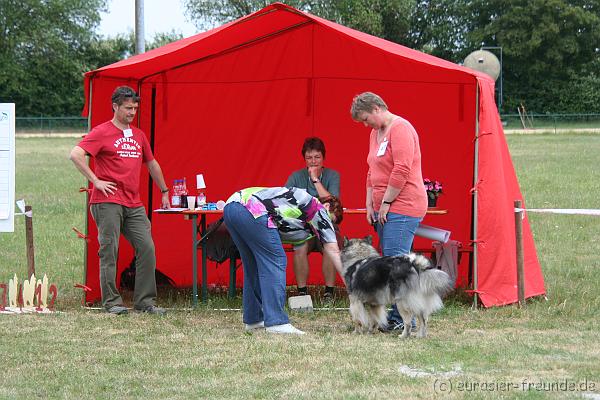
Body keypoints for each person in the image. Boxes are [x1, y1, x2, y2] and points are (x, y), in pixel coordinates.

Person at [70, 86, 170, 315]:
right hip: (107, 202)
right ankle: (112, 302)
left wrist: (164, 190)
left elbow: (152, 163)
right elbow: (75, 154)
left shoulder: (138, 135)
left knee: (147, 248)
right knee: (110, 250)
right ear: (115, 106)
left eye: (135, 108)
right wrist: (95, 180)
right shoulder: (101, 131)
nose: (132, 112)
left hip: (133, 203)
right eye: (127, 108)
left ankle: (145, 302)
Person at [350, 92, 428, 332]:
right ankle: (397, 317)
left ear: (376, 108)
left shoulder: (401, 128)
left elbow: (402, 169)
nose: (365, 125)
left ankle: (404, 320)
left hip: (403, 205)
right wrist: (370, 204)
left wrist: (386, 202)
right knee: (391, 261)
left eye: (365, 119)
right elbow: (371, 170)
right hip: (384, 208)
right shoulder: (376, 133)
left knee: (397, 264)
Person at [223, 187, 344, 335]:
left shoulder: (303, 210)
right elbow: (333, 250)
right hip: (252, 209)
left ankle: (253, 319)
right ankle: (276, 321)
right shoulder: (318, 209)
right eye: (330, 221)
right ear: (326, 207)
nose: (327, 228)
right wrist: (352, 285)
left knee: (253, 265)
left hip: (232, 206)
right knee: (276, 260)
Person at [285, 137, 341, 302]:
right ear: (304, 159)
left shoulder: (333, 175)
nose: (313, 161)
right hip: (303, 226)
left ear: (323, 158)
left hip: (327, 224)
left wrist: (315, 180)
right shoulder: (295, 177)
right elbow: (285, 200)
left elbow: (333, 203)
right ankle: (302, 293)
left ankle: (328, 293)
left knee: (330, 249)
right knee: (299, 248)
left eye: (317, 157)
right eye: (309, 158)